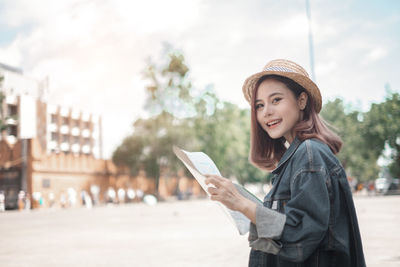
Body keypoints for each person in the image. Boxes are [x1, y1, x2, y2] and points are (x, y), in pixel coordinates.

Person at [205, 59, 366, 267]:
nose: (266, 112)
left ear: (301, 101)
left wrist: (243, 205)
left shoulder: (310, 155)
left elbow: (298, 235)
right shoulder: (297, 157)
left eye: (276, 100)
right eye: (259, 105)